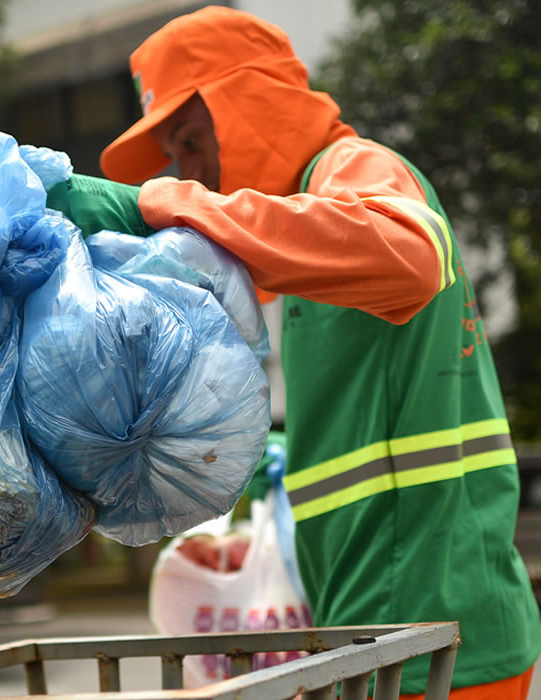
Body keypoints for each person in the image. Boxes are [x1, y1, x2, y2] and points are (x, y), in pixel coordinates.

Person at [43, 6, 540, 698]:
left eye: (191, 142)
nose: (192, 173)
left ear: (249, 106)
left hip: (441, 642)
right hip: (384, 638)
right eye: (177, 160)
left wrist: (173, 207)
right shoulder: (307, 239)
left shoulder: (356, 169)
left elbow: (409, 257)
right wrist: (284, 507)